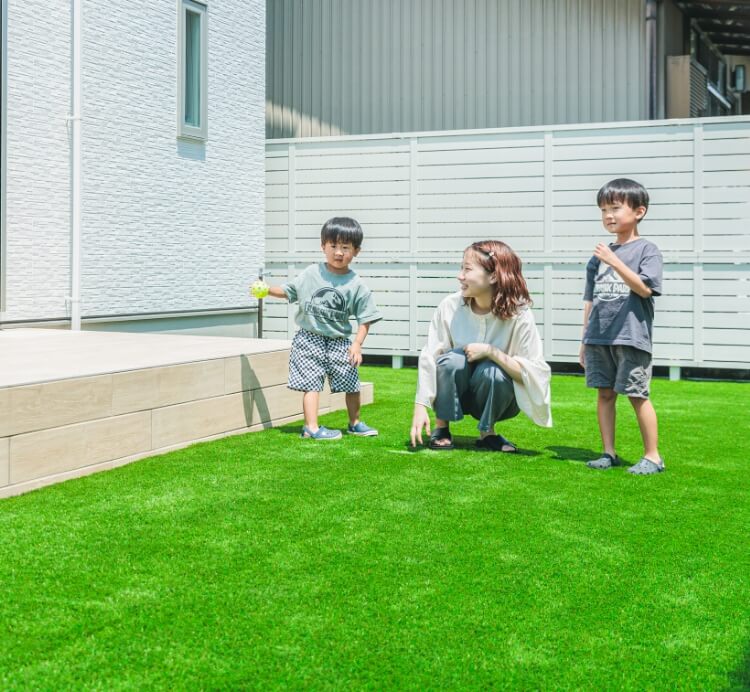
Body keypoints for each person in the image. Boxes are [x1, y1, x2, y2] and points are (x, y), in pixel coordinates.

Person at [410, 240, 552, 451]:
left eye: (467, 269)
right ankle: (442, 427)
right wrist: (420, 405)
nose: (460, 276)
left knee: (493, 370)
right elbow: (430, 356)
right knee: (452, 360)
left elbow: (533, 372)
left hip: (500, 397)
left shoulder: (519, 314)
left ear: (493, 275)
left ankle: (488, 433)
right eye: (462, 268)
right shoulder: (450, 306)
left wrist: (491, 352)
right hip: (453, 393)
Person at [255, 217, 382, 440]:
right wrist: (267, 290)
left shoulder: (356, 284)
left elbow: (366, 318)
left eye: (345, 247)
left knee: (351, 381)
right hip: (308, 338)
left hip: (339, 340)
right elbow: (289, 291)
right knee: (311, 382)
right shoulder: (311, 273)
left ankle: (355, 423)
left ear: (356, 251)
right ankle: (311, 428)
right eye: (333, 246)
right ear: (323, 246)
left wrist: (357, 345)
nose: (339, 252)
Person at [580, 178, 664, 474]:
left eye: (615, 207)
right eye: (603, 209)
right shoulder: (598, 256)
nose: (608, 215)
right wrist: (584, 341)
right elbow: (589, 300)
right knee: (604, 394)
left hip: (631, 337)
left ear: (639, 211)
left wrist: (614, 261)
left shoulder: (647, 250)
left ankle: (653, 456)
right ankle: (608, 452)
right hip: (599, 337)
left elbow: (645, 289)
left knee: (637, 394)